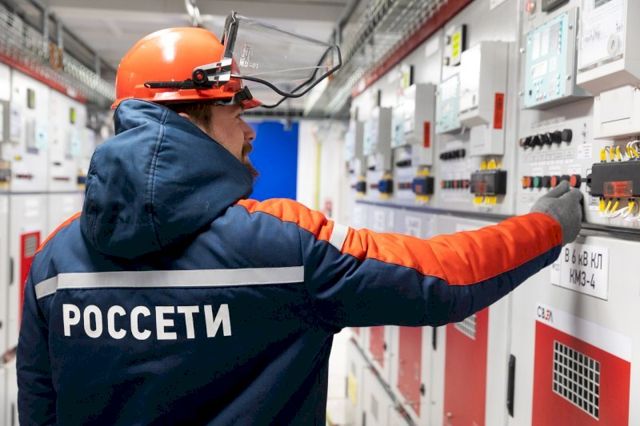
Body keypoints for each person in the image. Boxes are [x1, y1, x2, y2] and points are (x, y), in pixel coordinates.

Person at [17, 27, 583, 425]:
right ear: (192, 118)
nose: (250, 132)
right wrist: (545, 227)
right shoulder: (283, 245)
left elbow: (39, 407)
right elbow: (440, 279)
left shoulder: (53, 264)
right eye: (237, 112)